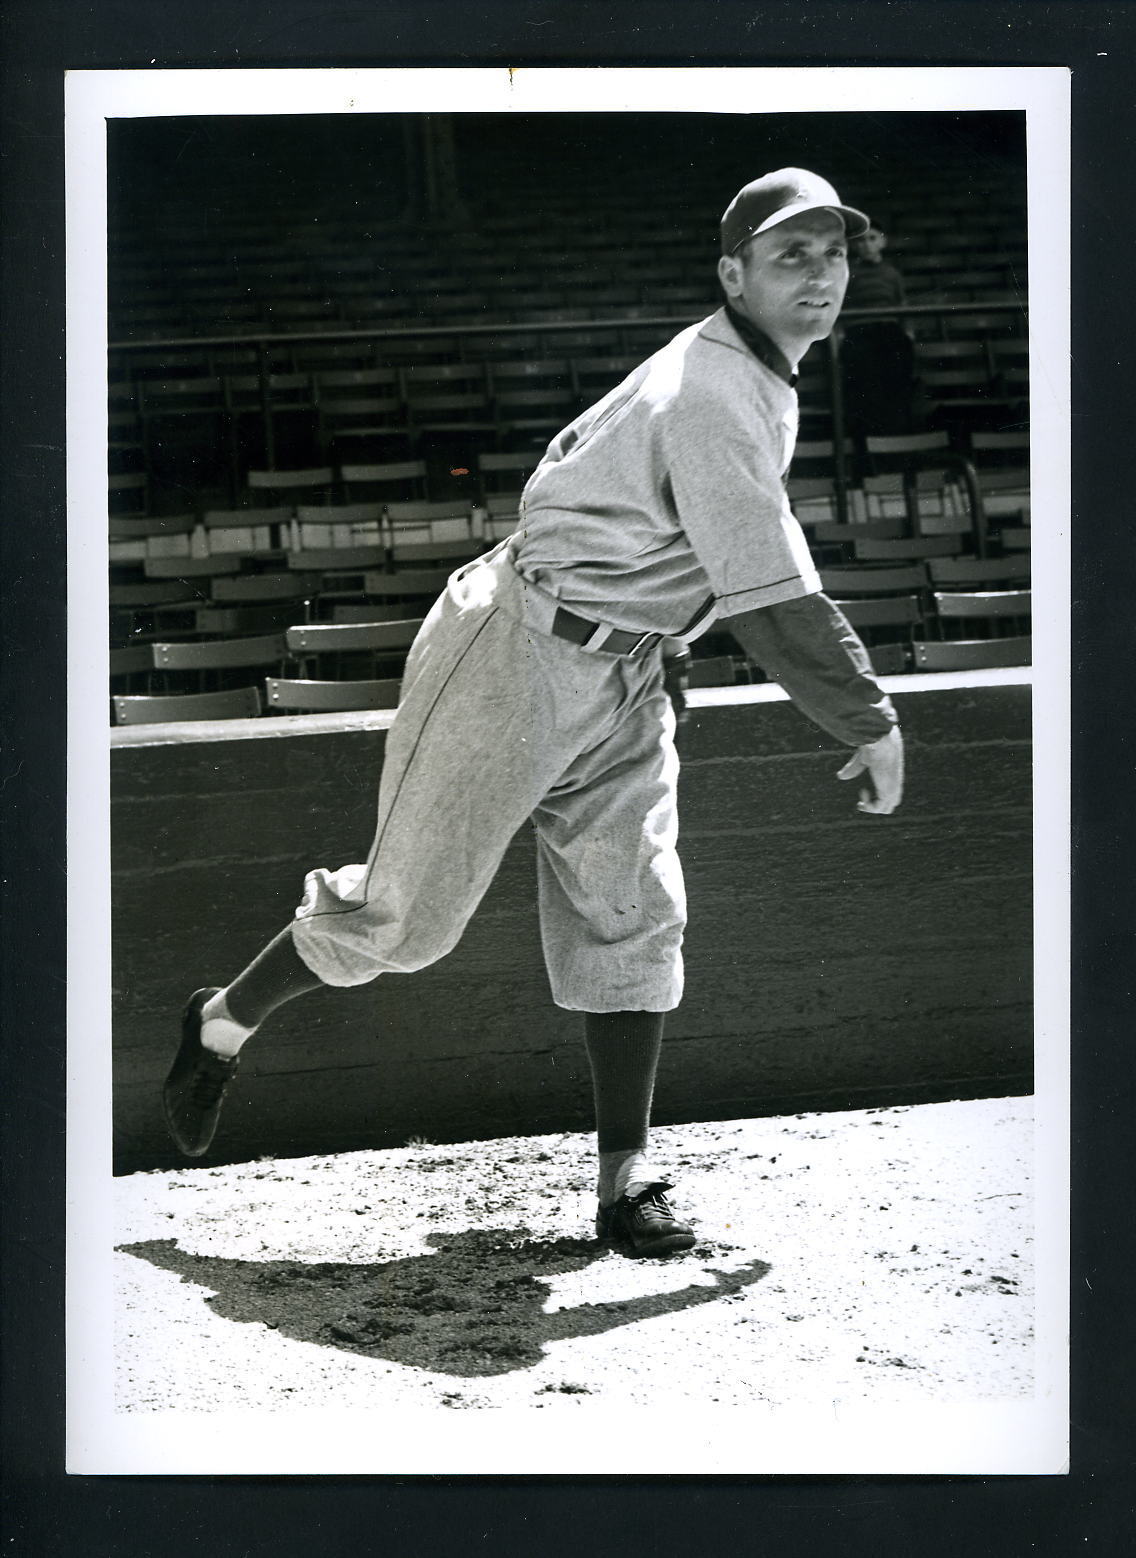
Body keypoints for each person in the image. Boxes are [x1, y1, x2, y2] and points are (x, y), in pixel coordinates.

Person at [163, 167, 905, 1258]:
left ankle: (624, 1179)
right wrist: (867, 717)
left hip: (622, 667)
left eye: (832, 252)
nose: (818, 274)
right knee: (401, 925)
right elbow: (781, 600)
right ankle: (219, 1022)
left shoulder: (755, 378)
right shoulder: (710, 390)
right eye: (789, 253)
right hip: (517, 648)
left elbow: (675, 541)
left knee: (633, 910)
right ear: (731, 273)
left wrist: (669, 649)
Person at [840, 221, 918, 439]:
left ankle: (897, 438)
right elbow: (839, 307)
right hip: (859, 332)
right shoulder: (848, 274)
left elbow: (903, 306)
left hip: (889, 332)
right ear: (855, 246)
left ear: (882, 242)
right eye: (861, 240)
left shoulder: (892, 274)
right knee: (864, 387)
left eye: (872, 239)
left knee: (897, 380)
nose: (866, 245)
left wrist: (909, 333)